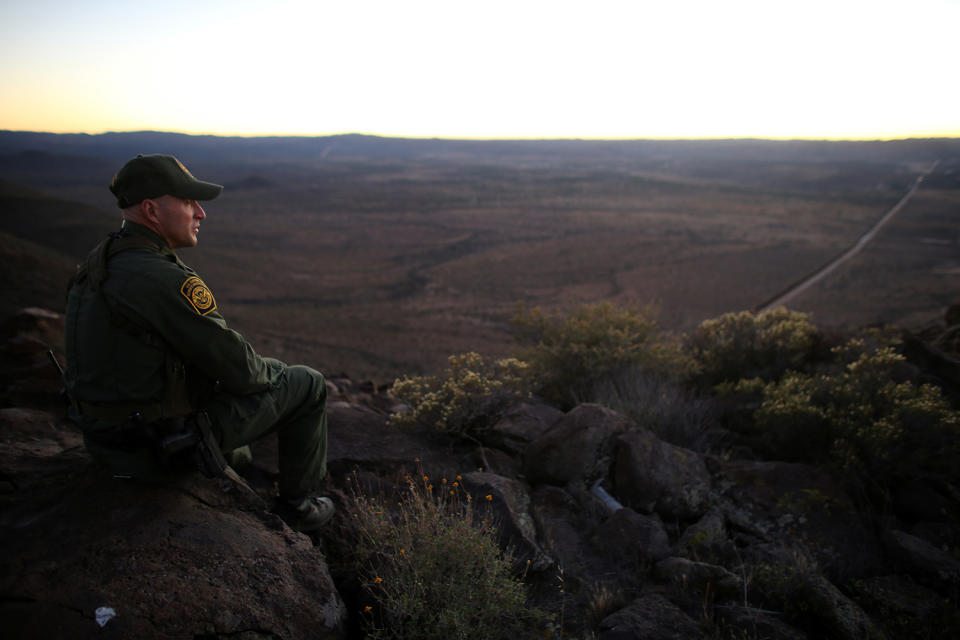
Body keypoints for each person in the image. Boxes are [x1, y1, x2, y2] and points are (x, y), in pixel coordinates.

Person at [62, 153, 334, 532]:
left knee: (239, 451)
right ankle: (299, 509)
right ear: (152, 210)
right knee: (307, 383)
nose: (201, 214)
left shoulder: (102, 260)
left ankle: (232, 466)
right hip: (153, 451)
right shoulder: (161, 278)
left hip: (109, 440)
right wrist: (277, 371)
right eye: (189, 202)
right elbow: (243, 372)